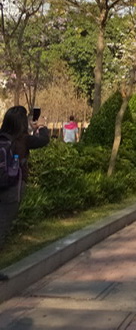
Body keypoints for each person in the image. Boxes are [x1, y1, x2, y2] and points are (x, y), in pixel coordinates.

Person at [0, 106, 50, 276]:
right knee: (2, 226)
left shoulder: (2, 138)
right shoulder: (23, 140)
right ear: (22, 123)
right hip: (12, 189)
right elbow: (44, 140)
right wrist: (41, 127)